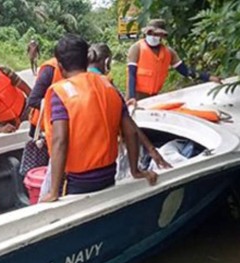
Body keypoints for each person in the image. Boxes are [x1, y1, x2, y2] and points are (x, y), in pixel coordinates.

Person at [40, 35, 157, 203]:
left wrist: (53, 192)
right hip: (108, 174)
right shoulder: (108, 86)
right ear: (86, 60)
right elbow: (130, 131)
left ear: (59, 66)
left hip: (78, 181)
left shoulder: (61, 93)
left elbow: (60, 140)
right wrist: (135, 170)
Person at [88, 42, 171, 170]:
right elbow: (129, 126)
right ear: (107, 62)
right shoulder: (107, 86)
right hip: (102, 153)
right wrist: (151, 150)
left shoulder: (71, 82)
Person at [126, 19, 222, 101]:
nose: (153, 36)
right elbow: (131, 74)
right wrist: (131, 97)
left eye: (157, 34)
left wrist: (207, 77)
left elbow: (185, 71)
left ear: (162, 36)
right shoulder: (137, 48)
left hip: (154, 96)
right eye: (150, 33)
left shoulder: (169, 53)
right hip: (136, 95)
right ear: (146, 33)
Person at [25, 57, 63, 137]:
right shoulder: (50, 69)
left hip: (59, 126)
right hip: (42, 127)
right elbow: (33, 100)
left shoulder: (84, 72)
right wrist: (61, 110)